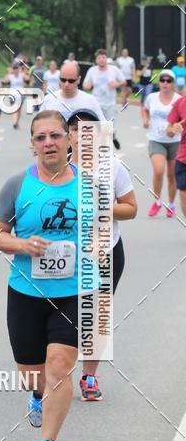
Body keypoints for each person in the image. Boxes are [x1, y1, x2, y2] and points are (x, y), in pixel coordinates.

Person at [0, 110, 92, 441]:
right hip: (26, 292)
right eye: (40, 137)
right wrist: (21, 245)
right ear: (32, 144)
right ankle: (36, 395)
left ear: (69, 140)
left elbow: (106, 233)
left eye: (55, 136)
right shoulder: (18, 185)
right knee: (33, 375)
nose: (48, 142)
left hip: (74, 291)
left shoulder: (88, 185)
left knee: (61, 368)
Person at [67, 108, 137, 400]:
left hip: (107, 250)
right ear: (67, 135)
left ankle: (89, 376)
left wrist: (98, 208)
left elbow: (131, 208)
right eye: (75, 130)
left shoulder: (113, 167)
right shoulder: (58, 168)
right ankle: (56, 371)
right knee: (67, 314)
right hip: (67, 253)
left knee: (98, 314)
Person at [144, 69, 182, 217]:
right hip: (156, 140)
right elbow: (145, 110)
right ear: (159, 82)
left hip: (175, 142)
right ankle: (157, 201)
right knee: (159, 170)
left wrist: (175, 128)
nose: (165, 83)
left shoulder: (178, 100)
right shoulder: (151, 97)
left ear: (173, 83)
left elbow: (182, 119)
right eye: (162, 80)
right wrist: (146, 119)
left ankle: (171, 204)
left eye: (169, 81)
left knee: (171, 175)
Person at [83, 49, 125, 149]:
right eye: (99, 58)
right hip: (97, 103)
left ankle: (113, 137)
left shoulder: (113, 69)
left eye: (103, 57)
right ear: (96, 60)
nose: (101, 60)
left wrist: (117, 84)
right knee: (98, 126)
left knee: (111, 127)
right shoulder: (92, 70)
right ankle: (102, 147)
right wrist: (87, 86)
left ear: (106, 59)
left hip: (110, 103)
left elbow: (124, 81)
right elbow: (85, 84)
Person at [40, 60, 106, 121]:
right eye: (63, 80)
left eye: (71, 81)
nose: (66, 84)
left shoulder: (90, 101)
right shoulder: (48, 100)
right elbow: (38, 126)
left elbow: (104, 126)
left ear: (79, 80)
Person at [167, 85, 186, 217]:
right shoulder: (180, 103)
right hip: (183, 157)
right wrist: (173, 130)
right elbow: (169, 130)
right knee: (184, 194)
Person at [4, 60, 27, 130]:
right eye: (14, 68)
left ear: (18, 68)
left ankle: (16, 122)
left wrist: (22, 71)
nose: (15, 70)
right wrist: (8, 72)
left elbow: (27, 78)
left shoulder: (21, 75)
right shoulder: (10, 76)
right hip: (13, 95)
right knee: (14, 109)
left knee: (19, 110)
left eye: (16, 68)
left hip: (21, 94)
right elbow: (5, 80)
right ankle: (14, 123)